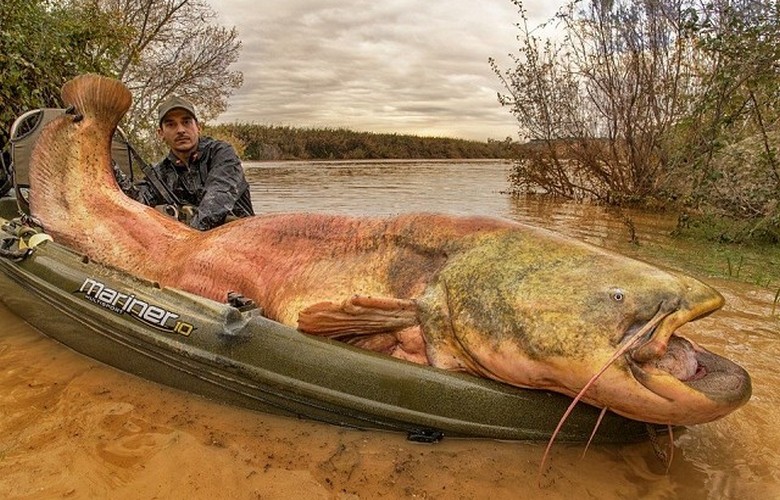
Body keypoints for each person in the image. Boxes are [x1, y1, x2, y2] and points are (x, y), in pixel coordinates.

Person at [133, 96, 254, 230]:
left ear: (198, 127)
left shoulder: (222, 154)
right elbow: (135, 201)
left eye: (186, 122)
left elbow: (219, 198)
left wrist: (190, 237)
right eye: (171, 124)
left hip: (241, 238)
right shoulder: (159, 174)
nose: (180, 130)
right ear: (160, 133)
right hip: (194, 245)